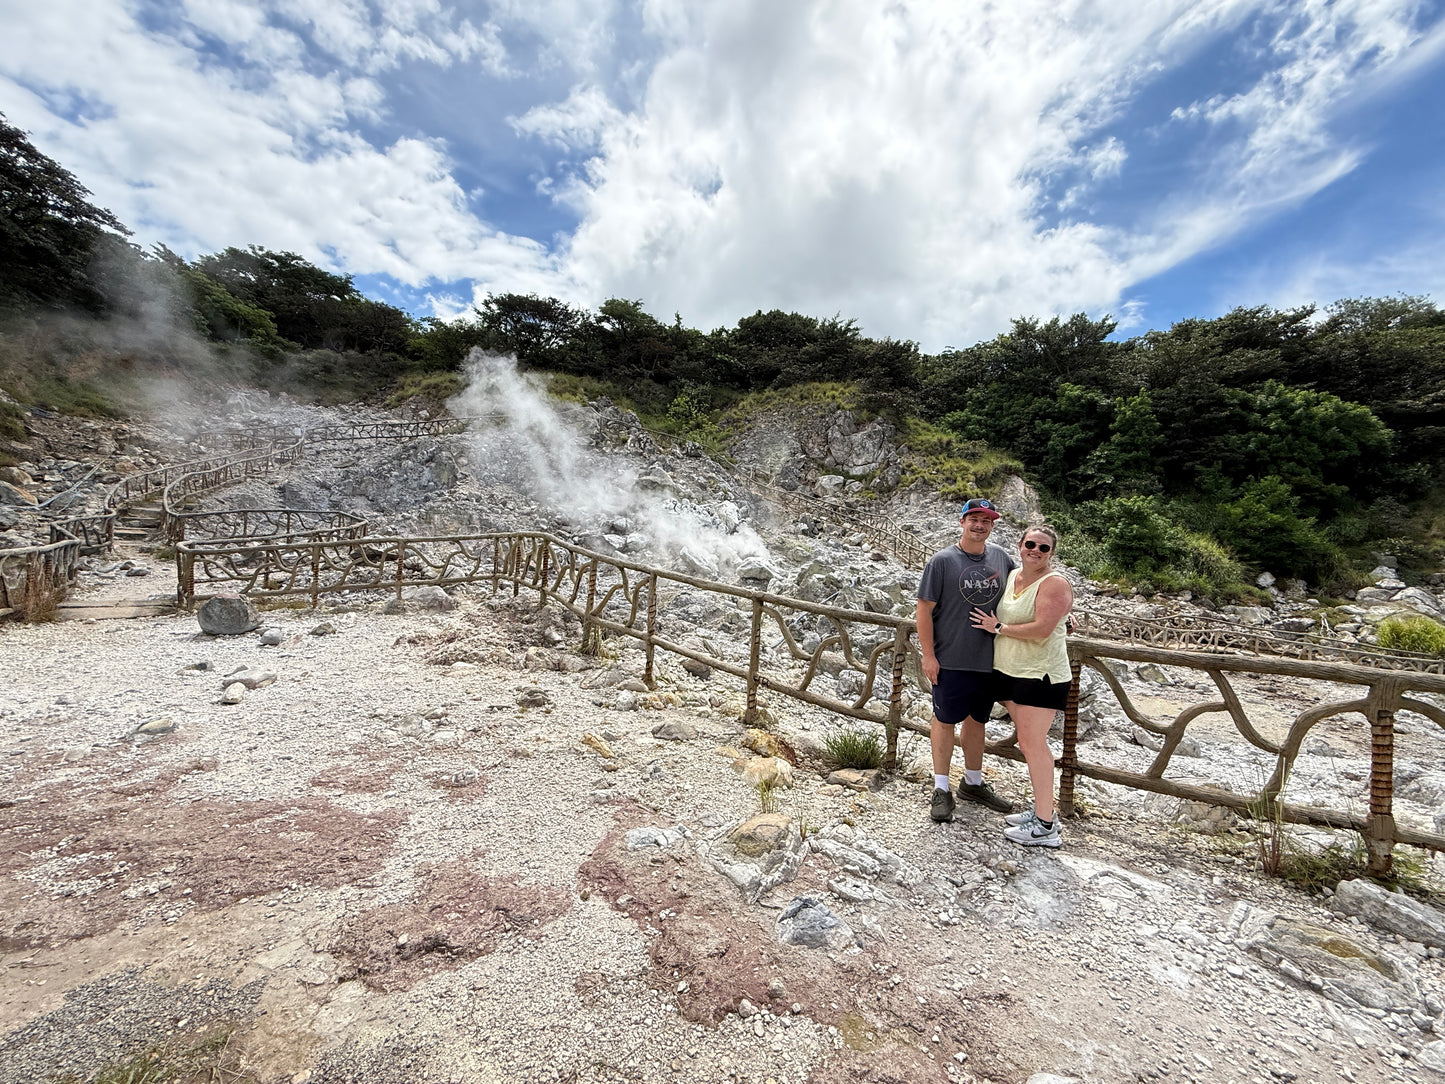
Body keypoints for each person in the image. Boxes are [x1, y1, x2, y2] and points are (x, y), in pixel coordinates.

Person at [971, 524, 1074, 847]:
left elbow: (1043, 629)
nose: (1035, 550)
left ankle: (1046, 825)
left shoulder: (1055, 583)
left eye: (1043, 548)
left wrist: (998, 627)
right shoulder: (1013, 575)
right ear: (1020, 544)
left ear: (1051, 554)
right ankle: (1043, 812)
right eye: (1031, 543)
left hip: (1040, 675)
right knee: (1031, 743)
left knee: (1033, 745)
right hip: (1010, 671)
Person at [915, 498, 1016, 823]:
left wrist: (1061, 615)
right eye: (974, 519)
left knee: (978, 721)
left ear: (992, 525)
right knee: (944, 721)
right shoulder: (942, 561)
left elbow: (1026, 592)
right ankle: (941, 788)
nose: (979, 525)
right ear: (962, 522)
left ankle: (973, 782)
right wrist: (928, 656)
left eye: (986, 520)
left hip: (990, 661)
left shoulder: (1002, 558)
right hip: (951, 658)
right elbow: (924, 610)